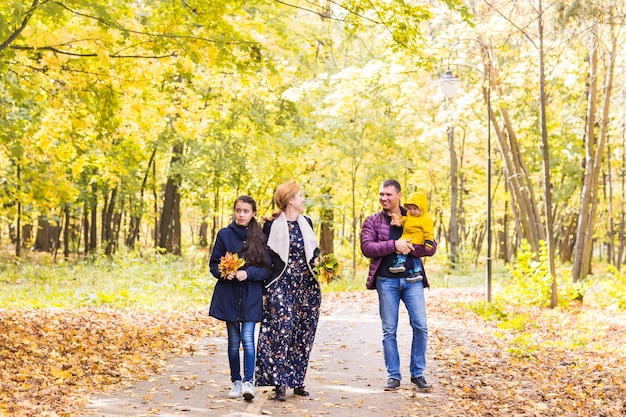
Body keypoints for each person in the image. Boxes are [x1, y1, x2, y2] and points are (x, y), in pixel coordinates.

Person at [360, 179, 437, 392]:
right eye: (381, 194)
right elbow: (367, 248)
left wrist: (409, 248)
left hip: (413, 281)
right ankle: (393, 375)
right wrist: (394, 245)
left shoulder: (416, 213)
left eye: (388, 195)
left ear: (399, 195)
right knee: (389, 330)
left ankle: (418, 373)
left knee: (420, 325)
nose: (384, 198)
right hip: (387, 281)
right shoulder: (373, 221)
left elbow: (431, 248)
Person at [255, 179, 321, 401]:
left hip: (305, 286)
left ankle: (297, 380)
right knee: (281, 330)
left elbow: (314, 252)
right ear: (291, 199)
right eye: (300, 196)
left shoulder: (307, 222)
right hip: (280, 284)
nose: (303, 199)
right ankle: (280, 381)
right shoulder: (271, 226)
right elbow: (265, 260)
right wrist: (264, 291)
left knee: (303, 333)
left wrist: (321, 264)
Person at [209, 195, 271, 401]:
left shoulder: (259, 236)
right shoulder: (224, 234)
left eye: (246, 211)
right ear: (234, 211)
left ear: (253, 213)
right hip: (229, 295)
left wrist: (248, 273)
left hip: (251, 295)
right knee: (234, 342)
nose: (241, 214)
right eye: (238, 210)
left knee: (248, 338)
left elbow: (266, 269)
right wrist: (223, 273)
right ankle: (236, 381)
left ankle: (248, 382)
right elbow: (213, 264)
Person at [388, 192, 435, 282]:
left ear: (422, 208)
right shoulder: (410, 214)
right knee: (407, 251)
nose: (412, 211)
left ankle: (412, 268)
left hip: (417, 239)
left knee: (410, 251)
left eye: (415, 209)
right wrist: (400, 221)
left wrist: (428, 243)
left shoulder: (426, 219)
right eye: (410, 209)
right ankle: (405, 265)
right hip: (408, 237)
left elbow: (429, 232)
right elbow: (407, 220)